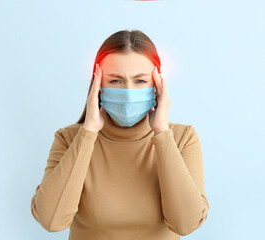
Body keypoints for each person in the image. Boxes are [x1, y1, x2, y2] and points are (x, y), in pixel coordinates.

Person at [30, 30, 209, 239]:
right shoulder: (68, 139)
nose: (128, 91)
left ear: (157, 85)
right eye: (115, 81)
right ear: (98, 86)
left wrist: (162, 133)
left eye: (140, 81)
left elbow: (186, 223)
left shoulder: (182, 138)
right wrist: (88, 133)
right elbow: (50, 220)